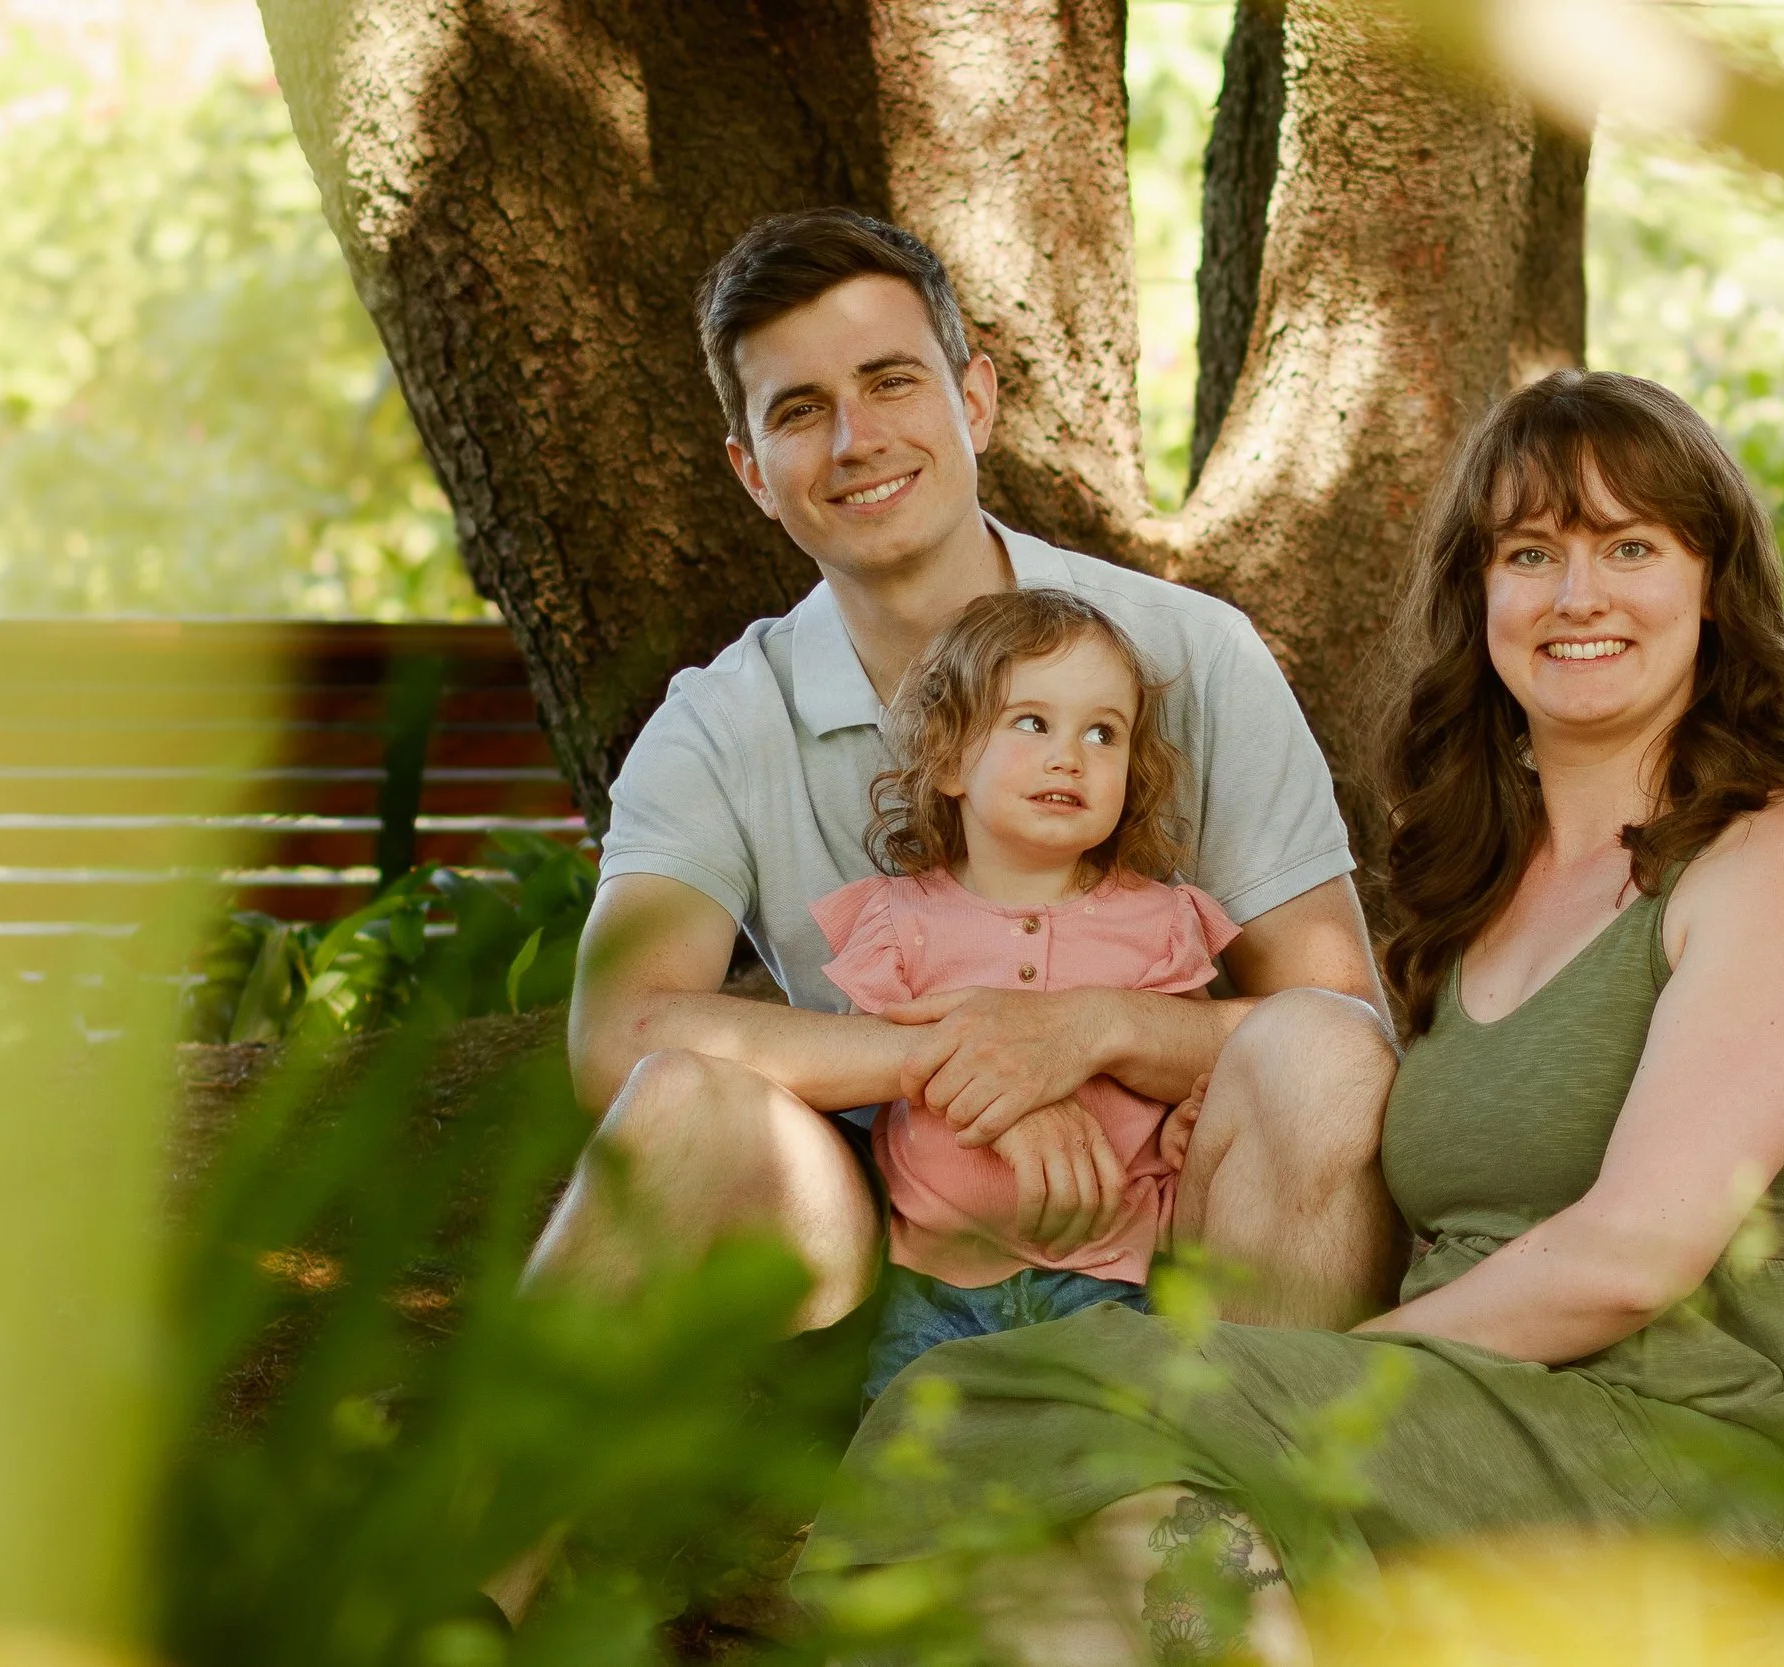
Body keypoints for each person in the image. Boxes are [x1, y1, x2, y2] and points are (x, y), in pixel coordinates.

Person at [796, 369, 1784, 1665]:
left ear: (1712, 585)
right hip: (1459, 1421)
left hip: (1706, 1447)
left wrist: (1273, 1400)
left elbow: (1633, 1253)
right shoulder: (1481, 897)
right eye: (1530, 552)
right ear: (1480, 595)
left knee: (1089, 1485)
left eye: (1631, 545)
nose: (1577, 593)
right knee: (1000, 1483)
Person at [522, 206, 1400, 1339]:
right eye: (799, 411)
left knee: (1323, 1057)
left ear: (974, 400)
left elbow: (1337, 1016)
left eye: (891, 381)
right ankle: (478, 1511)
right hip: (881, 1224)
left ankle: (1245, 1473)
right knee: (680, 1091)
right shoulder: (720, 719)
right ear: (750, 470)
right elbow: (618, 1035)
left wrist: (1091, 1030)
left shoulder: (1190, 651)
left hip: (1173, 1224)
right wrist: (952, 1064)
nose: (855, 440)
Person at [816, 587, 1240, 1402]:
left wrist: (1194, 1119)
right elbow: (859, 1071)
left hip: (1112, 1286)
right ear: (946, 761)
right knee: (911, 1493)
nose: (1069, 756)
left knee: (1109, 1473)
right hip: (936, 1293)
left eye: (1102, 733)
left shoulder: (1157, 921)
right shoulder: (900, 921)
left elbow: (1182, 1059)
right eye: (1032, 722)